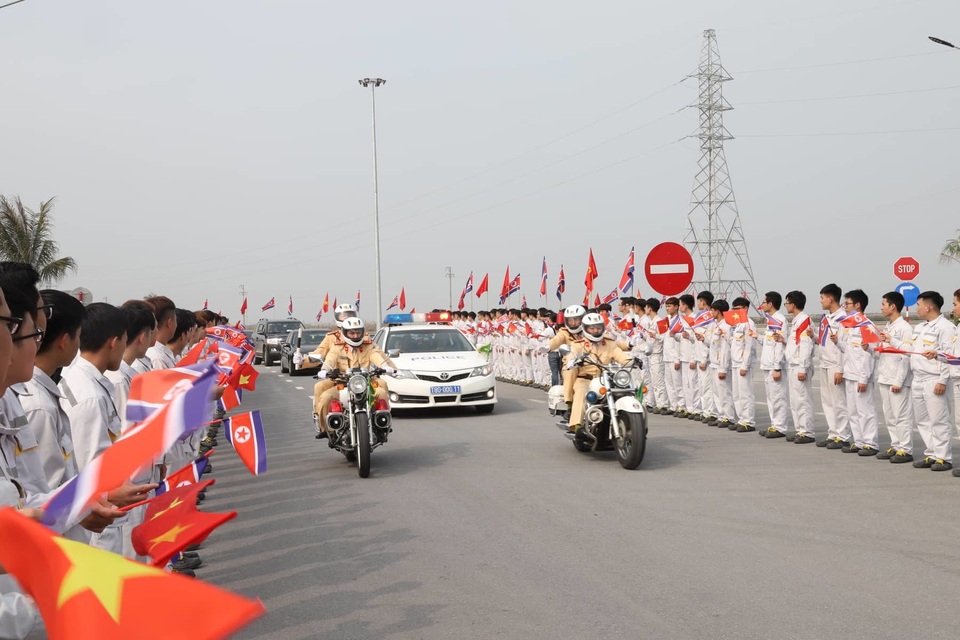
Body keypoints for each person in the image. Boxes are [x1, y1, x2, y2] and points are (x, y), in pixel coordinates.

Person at [892, 291, 954, 471]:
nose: (916, 308)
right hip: (918, 379)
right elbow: (910, 349)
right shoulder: (920, 327)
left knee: (939, 420)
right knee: (923, 420)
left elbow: (948, 355)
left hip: (934, 379)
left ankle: (943, 457)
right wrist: (892, 341)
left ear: (928, 307)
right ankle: (932, 453)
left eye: (918, 305)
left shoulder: (945, 327)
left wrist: (943, 380)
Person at [315, 317, 395, 440]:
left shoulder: (368, 346)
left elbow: (376, 356)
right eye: (352, 333)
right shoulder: (337, 347)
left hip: (365, 383)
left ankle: (381, 423)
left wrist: (384, 366)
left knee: (381, 393)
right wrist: (324, 370)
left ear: (363, 332)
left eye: (358, 332)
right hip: (342, 384)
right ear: (345, 333)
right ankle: (327, 430)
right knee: (326, 398)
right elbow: (330, 359)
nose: (355, 335)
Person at [565, 313, 633, 435]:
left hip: (606, 379)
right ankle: (577, 427)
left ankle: (633, 422)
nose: (596, 331)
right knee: (581, 393)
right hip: (585, 379)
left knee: (627, 391)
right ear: (585, 329)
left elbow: (621, 356)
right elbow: (572, 353)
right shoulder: (578, 344)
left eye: (598, 327)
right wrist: (572, 361)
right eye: (592, 328)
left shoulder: (610, 343)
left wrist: (633, 361)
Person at [834, 289, 879, 455]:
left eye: (848, 304)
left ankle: (870, 443)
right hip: (850, 374)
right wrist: (837, 342)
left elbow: (869, 355)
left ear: (858, 305)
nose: (845, 307)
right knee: (852, 411)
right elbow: (849, 350)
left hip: (861, 376)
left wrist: (864, 378)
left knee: (865, 411)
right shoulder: (852, 326)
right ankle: (859, 441)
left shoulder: (866, 325)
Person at [875, 291, 914, 462]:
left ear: (893, 306)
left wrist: (899, 381)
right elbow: (883, 352)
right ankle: (896, 445)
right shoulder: (887, 326)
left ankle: (905, 449)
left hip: (898, 379)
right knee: (890, 416)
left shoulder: (905, 328)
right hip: (885, 375)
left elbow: (907, 355)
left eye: (883, 304)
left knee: (901, 416)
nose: (881, 307)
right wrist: (870, 349)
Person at [308, 304, 358, 433]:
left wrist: (389, 368)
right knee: (320, 389)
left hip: (360, 380)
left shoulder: (363, 337)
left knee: (382, 386)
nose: (347, 318)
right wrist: (303, 360)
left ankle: (381, 419)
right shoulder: (332, 338)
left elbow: (376, 354)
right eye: (344, 315)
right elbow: (322, 354)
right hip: (338, 378)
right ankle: (324, 426)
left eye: (350, 315)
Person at [816, 284, 852, 449]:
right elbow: (824, 341)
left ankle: (843, 435)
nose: (821, 301)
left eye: (822, 298)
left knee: (839, 402)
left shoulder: (843, 318)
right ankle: (833, 433)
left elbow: (844, 346)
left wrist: (840, 369)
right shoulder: (827, 318)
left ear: (830, 299)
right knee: (828, 402)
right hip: (824, 363)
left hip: (835, 365)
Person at [781, 291, 816, 444]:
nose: (786, 306)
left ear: (793, 304)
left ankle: (807, 431)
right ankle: (800, 429)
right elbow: (795, 344)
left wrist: (803, 368)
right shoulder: (796, 320)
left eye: (787, 303)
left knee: (802, 400)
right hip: (793, 365)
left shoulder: (804, 321)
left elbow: (806, 346)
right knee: (795, 401)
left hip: (800, 366)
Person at [546, 305, 588, 428]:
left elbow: (608, 342)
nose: (573, 323)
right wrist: (548, 346)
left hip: (592, 364)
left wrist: (628, 345)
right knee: (570, 373)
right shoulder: (564, 332)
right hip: (571, 364)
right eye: (570, 320)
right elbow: (557, 339)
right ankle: (569, 405)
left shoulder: (591, 330)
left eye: (576, 320)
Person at [758, 291, 790, 439]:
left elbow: (779, 345)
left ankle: (780, 427)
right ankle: (774, 424)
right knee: (771, 398)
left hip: (774, 366)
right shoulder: (770, 320)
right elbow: (768, 343)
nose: (762, 305)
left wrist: (777, 367)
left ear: (770, 304)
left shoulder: (779, 320)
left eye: (764, 302)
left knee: (778, 397)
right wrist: (756, 336)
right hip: (767, 364)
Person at [730, 297, 757, 433]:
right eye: (734, 309)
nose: (735, 311)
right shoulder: (738, 324)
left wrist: (745, 365)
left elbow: (749, 346)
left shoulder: (749, 324)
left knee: (745, 394)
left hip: (743, 364)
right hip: (735, 362)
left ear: (745, 309)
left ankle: (748, 421)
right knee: (737, 394)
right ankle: (741, 419)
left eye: (738, 308)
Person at [708, 300, 735, 429]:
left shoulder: (726, 326)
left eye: (712, 310)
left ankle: (728, 417)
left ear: (718, 311)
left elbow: (725, 348)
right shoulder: (716, 325)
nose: (711, 313)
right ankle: (721, 415)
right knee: (717, 392)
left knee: (724, 392)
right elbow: (712, 344)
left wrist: (723, 368)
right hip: (714, 363)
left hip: (721, 364)